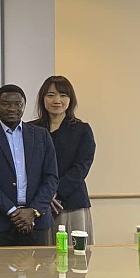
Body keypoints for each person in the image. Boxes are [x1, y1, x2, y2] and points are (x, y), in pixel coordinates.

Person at [0, 85, 59, 246]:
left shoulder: (41, 135)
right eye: (6, 104)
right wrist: (12, 211)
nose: (12, 109)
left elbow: (51, 177)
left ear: (24, 105)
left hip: (36, 221)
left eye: (18, 104)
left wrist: (33, 210)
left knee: (40, 264)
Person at [34, 75, 96, 242]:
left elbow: (81, 167)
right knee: (41, 255)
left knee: (73, 254)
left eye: (63, 95)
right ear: (42, 98)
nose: (57, 100)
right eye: (51, 95)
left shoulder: (82, 130)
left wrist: (54, 191)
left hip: (71, 202)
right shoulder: (31, 129)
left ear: (70, 99)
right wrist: (44, 194)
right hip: (38, 203)